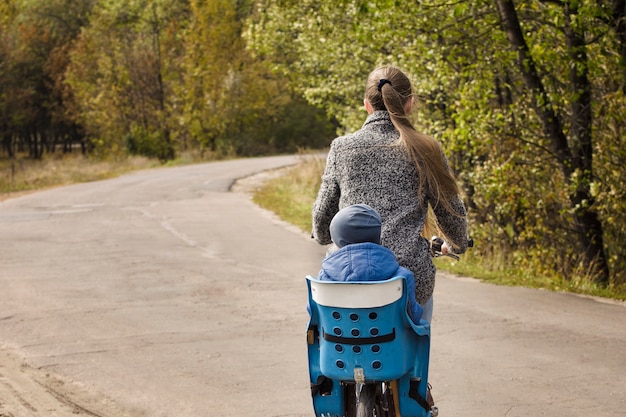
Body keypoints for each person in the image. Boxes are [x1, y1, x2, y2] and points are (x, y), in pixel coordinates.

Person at [312, 65, 469, 323]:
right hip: (408, 281)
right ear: (409, 104)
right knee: (413, 351)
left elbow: (321, 226)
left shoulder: (342, 148)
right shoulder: (425, 148)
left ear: (367, 105)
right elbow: (450, 213)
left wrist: (323, 234)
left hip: (348, 280)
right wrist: (459, 243)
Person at [316, 204, 423, 324]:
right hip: (389, 341)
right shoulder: (402, 277)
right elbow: (413, 317)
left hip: (337, 341)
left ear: (336, 241)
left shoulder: (325, 276)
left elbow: (316, 316)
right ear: (378, 237)